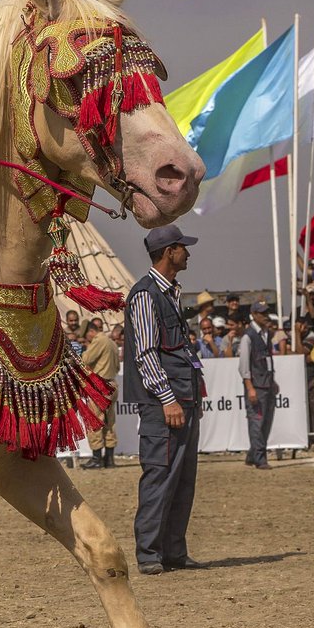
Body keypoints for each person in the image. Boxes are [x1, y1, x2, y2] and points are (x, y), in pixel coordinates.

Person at [124, 224, 205, 575]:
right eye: (182, 247)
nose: (188, 252)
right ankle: (149, 553)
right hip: (165, 403)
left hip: (184, 398)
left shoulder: (171, 292)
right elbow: (146, 352)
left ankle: (173, 551)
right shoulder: (145, 294)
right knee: (159, 474)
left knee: (183, 478)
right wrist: (167, 398)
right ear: (168, 252)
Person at [239, 300, 279, 469]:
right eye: (262, 313)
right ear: (254, 315)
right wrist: (250, 388)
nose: (265, 316)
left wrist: (273, 380)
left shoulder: (266, 334)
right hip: (256, 385)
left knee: (266, 422)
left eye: (266, 312)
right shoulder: (248, 337)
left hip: (267, 384)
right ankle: (260, 458)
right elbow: (243, 366)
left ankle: (252, 454)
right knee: (257, 422)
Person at [79, 320, 120, 469]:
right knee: (110, 423)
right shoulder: (111, 342)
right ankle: (109, 459)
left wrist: (85, 349)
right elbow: (117, 366)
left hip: (100, 386)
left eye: (86, 337)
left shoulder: (99, 341)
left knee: (95, 422)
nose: (87, 340)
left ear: (90, 331)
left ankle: (96, 459)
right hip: (111, 384)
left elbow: (85, 360)